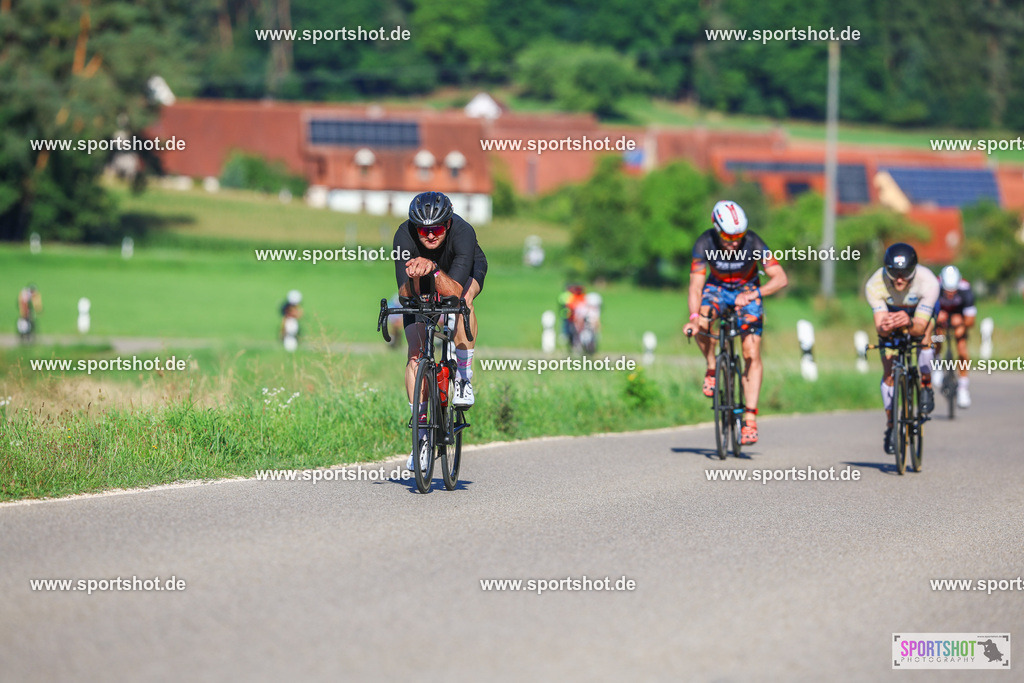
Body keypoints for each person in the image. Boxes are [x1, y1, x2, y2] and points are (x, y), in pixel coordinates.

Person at [393, 192, 487, 468]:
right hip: (422, 277)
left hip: (462, 275)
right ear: (415, 228)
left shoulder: (463, 232)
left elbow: (454, 292)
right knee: (415, 353)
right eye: (424, 230)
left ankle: (464, 376)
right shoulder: (403, 236)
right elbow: (404, 295)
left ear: (447, 223)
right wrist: (415, 275)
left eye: (436, 229)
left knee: (463, 303)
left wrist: (433, 268)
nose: (431, 235)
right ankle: (421, 436)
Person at [683, 201, 788, 445]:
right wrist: (694, 318)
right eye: (729, 237)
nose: (734, 243)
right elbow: (696, 286)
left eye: (739, 236)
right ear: (716, 229)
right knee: (702, 319)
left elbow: (780, 278)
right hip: (717, 289)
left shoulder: (753, 242)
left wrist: (754, 294)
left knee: (751, 352)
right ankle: (712, 367)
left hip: (747, 289)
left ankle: (750, 419)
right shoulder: (704, 243)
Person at [864, 243, 940, 454]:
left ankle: (926, 384)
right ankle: (891, 425)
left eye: (905, 273)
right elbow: (881, 328)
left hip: (919, 315)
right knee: (889, 373)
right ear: (885, 269)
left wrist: (908, 321)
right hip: (891, 312)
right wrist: (886, 326)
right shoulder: (874, 284)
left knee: (925, 338)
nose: (899, 279)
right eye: (893, 273)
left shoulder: (929, 282)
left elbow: (918, 328)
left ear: (914, 270)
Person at [933, 265, 976, 408]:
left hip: (959, 318)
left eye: (953, 291)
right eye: (947, 291)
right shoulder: (934, 287)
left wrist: (961, 322)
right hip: (941, 317)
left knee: (962, 346)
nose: (950, 294)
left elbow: (971, 320)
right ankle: (937, 364)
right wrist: (936, 316)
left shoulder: (965, 290)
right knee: (937, 335)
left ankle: (963, 388)